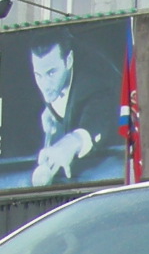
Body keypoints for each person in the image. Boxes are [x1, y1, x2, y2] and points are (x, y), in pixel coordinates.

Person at [28, 36, 117, 187]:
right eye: (38, 75)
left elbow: (97, 115)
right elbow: (51, 86)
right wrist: (51, 109)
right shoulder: (53, 75)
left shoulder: (95, 82)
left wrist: (71, 142)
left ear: (69, 61)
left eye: (51, 73)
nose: (45, 85)